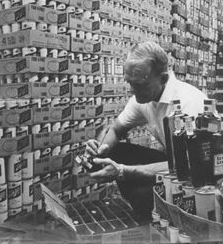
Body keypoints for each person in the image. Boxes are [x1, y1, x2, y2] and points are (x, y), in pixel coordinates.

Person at [85, 41, 207, 219]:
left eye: (140, 85)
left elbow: (190, 167)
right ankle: (146, 207)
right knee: (116, 150)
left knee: (142, 196)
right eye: (130, 83)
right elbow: (116, 129)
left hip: (199, 178)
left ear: (163, 78)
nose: (133, 91)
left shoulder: (188, 103)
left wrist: (122, 171)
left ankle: (155, 219)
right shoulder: (144, 95)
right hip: (177, 163)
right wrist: (100, 149)